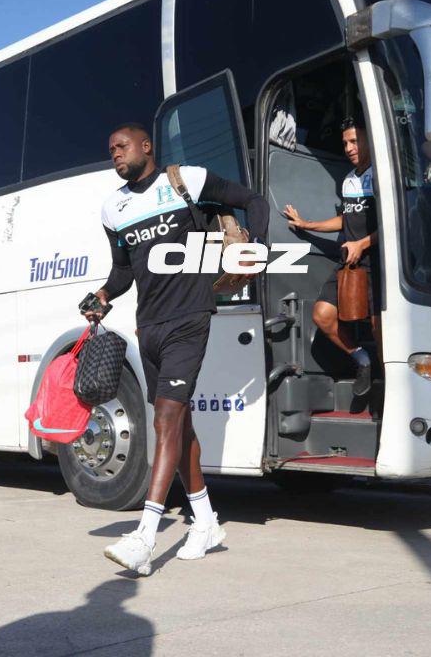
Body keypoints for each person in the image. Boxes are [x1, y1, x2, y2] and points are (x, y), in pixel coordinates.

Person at [85, 123, 269, 576]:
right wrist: (103, 298)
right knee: (178, 424)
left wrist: (258, 249)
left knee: (166, 417)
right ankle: (206, 522)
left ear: (146, 147)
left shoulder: (186, 180)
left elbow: (254, 201)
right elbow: (122, 272)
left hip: (190, 318)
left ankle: (145, 536)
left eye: (122, 147)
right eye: (110, 150)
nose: (116, 154)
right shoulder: (114, 208)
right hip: (148, 326)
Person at [283, 118, 380, 394]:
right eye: (345, 143)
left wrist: (363, 243)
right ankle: (362, 359)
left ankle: (388, 387)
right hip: (350, 262)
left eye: (355, 141)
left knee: (380, 330)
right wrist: (307, 225)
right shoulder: (349, 180)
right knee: (322, 315)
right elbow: (346, 219)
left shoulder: (383, 175)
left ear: (369, 141)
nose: (349, 148)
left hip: (379, 262)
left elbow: (395, 223)